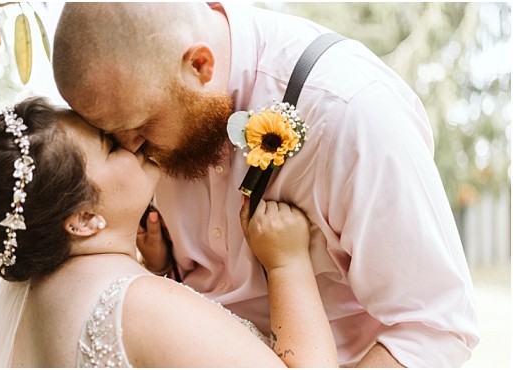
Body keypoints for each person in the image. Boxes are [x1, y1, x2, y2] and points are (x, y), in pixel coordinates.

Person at [52, 2, 479, 367]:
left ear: (201, 65)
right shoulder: (137, 112)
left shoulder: (350, 114)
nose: (131, 152)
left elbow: (435, 328)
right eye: (111, 137)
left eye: (142, 128)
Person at [0, 97, 337, 367]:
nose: (131, 139)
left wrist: (156, 266)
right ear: (85, 219)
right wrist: (288, 264)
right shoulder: (138, 306)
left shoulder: (36, 298)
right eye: (109, 145)